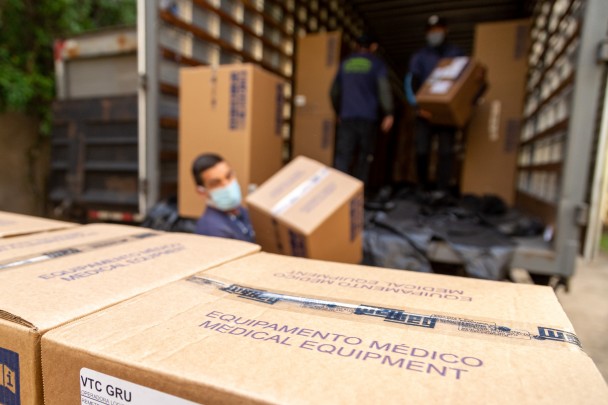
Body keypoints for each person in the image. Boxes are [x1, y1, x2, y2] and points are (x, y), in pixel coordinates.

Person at [405, 15, 465, 193]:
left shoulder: (456, 54)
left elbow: (464, 82)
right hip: (425, 111)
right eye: (431, 31)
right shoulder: (419, 57)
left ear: (446, 30)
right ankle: (422, 186)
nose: (434, 34)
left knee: (446, 152)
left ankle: (442, 189)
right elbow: (411, 82)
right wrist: (417, 107)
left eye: (438, 30)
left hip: (446, 113)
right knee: (422, 149)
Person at [330, 34, 394, 186]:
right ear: (373, 47)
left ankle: (338, 196)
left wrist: (338, 111)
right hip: (367, 117)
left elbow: (334, 92)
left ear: (357, 45)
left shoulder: (345, 63)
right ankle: (358, 196)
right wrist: (389, 112)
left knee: (343, 157)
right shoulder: (376, 64)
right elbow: (384, 89)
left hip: (347, 116)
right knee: (364, 157)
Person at [191, 153, 255, 242]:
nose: (226, 185)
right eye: (216, 183)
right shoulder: (212, 231)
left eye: (228, 176)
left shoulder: (240, 211)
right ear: (202, 192)